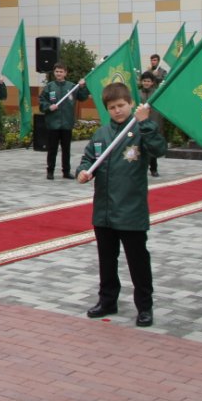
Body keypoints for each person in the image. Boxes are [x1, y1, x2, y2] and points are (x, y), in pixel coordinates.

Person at [76, 82, 166, 328]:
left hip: (131, 211)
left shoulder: (140, 130)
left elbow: (159, 149)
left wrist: (146, 123)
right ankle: (107, 301)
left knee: (138, 262)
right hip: (104, 211)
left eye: (121, 105)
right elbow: (88, 158)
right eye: (112, 107)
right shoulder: (101, 134)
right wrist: (83, 171)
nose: (117, 110)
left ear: (131, 104)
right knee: (107, 260)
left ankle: (144, 307)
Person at [39, 63, 88, 180]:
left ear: (65, 73)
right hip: (53, 124)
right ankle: (50, 171)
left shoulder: (72, 87)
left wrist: (82, 87)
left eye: (61, 72)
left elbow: (83, 97)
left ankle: (66, 171)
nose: (59, 74)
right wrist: (48, 107)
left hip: (66, 123)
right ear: (54, 73)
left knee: (66, 150)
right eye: (57, 71)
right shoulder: (49, 87)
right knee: (52, 149)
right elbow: (41, 101)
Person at [138, 71, 165, 178]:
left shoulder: (156, 93)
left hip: (154, 122)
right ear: (141, 82)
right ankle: (141, 168)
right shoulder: (138, 93)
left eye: (148, 81)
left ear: (152, 82)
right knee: (141, 147)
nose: (146, 83)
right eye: (144, 81)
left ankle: (153, 169)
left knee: (152, 146)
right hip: (141, 123)